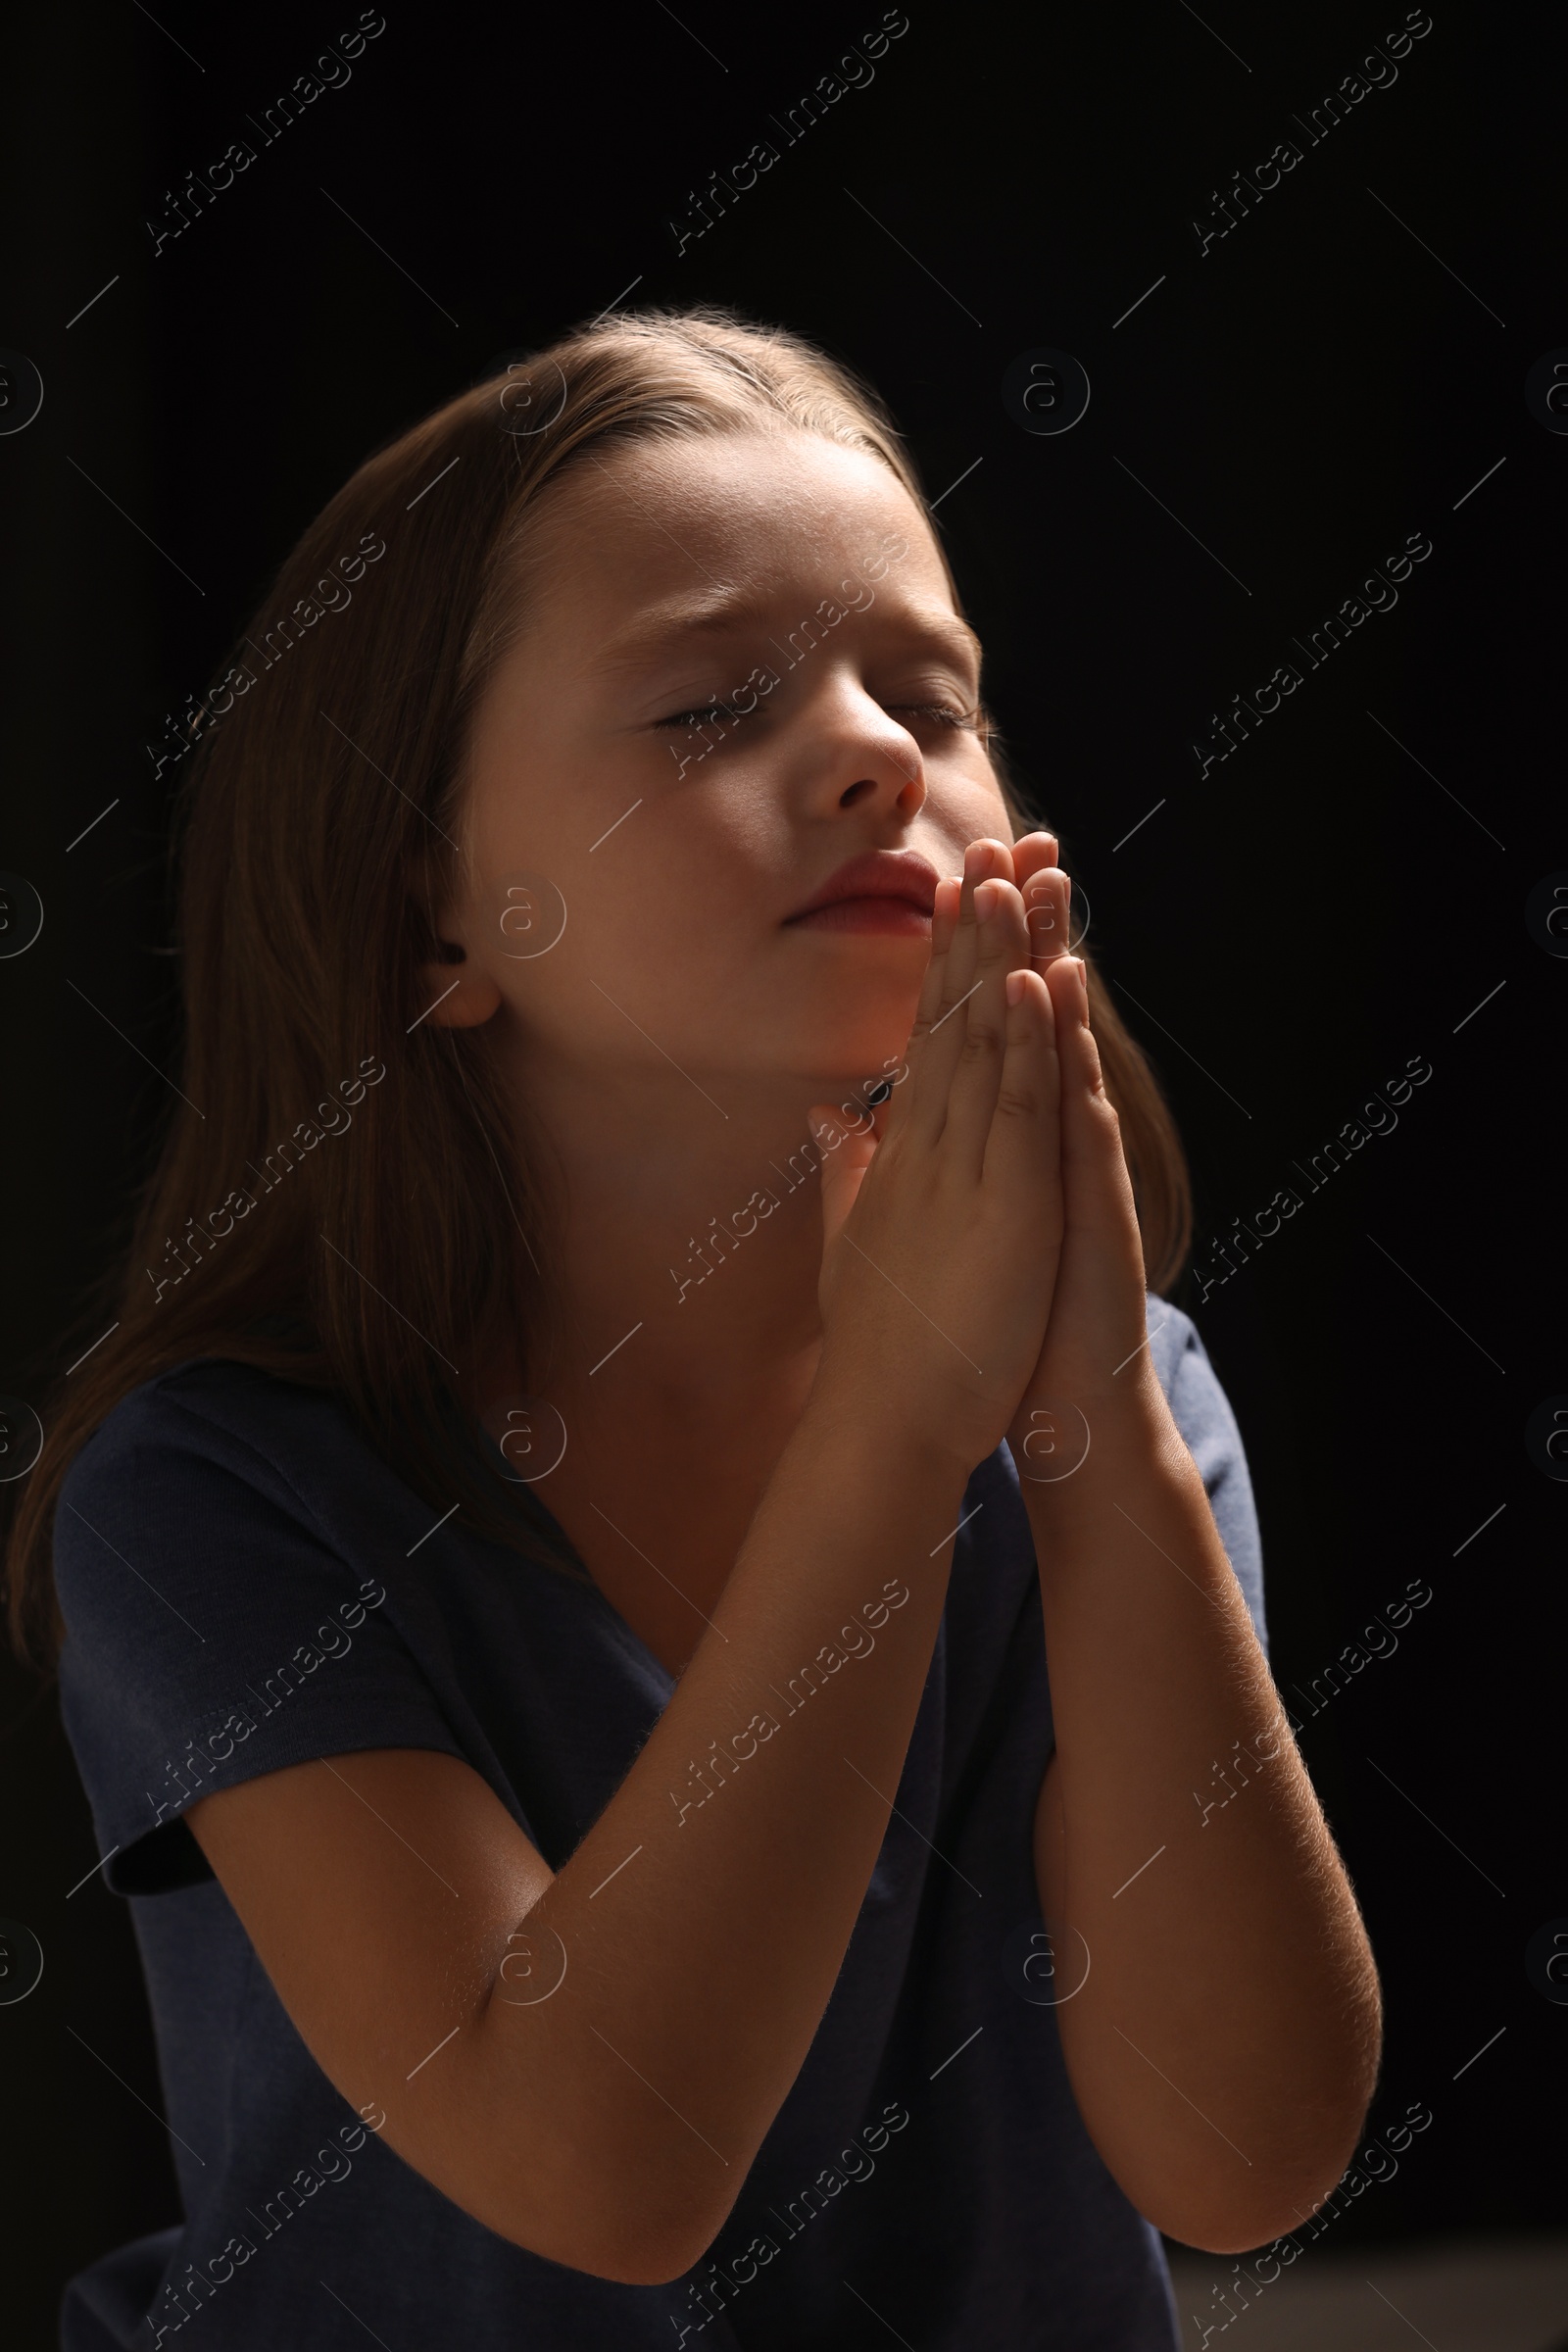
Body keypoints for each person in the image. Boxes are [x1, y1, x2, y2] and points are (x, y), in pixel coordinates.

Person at [10, 309, 1382, 2350]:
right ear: (434, 925)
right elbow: (605, 2175)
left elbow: (1241, 2153)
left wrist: (1088, 1409)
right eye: (704, 708)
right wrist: (895, 1435)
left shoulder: (1126, 1402)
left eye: (930, 694)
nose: (872, 755)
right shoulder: (216, 1490)